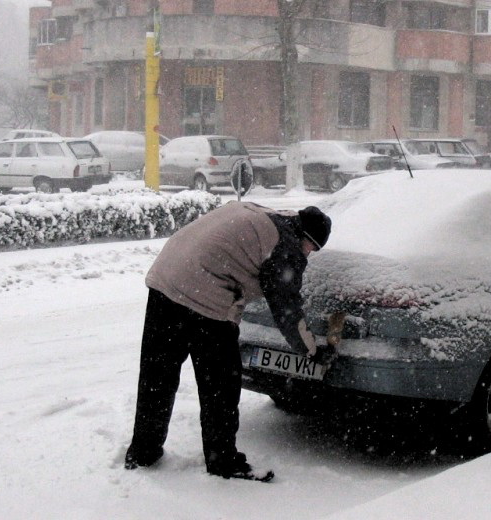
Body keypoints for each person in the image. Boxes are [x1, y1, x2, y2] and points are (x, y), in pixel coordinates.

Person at [124, 201, 334, 482]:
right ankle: (222, 460)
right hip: (205, 294)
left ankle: (143, 452)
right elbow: (286, 308)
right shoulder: (287, 246)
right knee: (220, 386)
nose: (309, 253)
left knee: (157, 376)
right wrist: (311, 350)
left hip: (165, 279)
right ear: (307, 239)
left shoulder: (264, 213)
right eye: (312, 248)